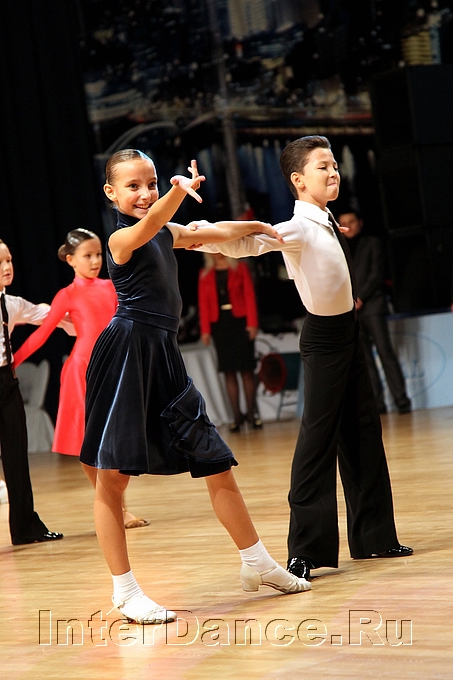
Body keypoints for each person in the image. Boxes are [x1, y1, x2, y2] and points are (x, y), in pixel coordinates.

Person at [79, 149, 310, 625]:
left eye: (151, 183)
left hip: (164, 354)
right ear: (110, 193)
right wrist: (176, 192)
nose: (145, 193)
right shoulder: (120, 238)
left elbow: (212, 231)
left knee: (214, 458)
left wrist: (259, 227)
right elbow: (151, 223)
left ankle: (257, 562)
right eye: (133, 186)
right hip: (127, 355)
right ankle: (125, 591)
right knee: (112, 478)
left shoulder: (166, 230)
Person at [192, 135, 413, 580]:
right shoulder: (297, 227)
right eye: (322, 167)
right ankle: (305, 552)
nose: (333, 172)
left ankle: (374, 537)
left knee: (363, 432)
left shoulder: (325, 221)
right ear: (298, 179)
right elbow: (248, 245)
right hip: (324, 340)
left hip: (348, 334)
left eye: (334, 166)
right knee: (317, 442)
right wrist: (197, 234)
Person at [13, 229, 148, 529]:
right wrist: (14, 361)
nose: (96, 261)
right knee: (88, 444)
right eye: (88, 256)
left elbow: (129, 325)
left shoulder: (111, 286)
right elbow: (42, 334)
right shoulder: (67, 295)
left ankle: (118, 506)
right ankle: (116, 509)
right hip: (81, 371)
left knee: (116, 442)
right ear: (71, 260)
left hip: (112, 368)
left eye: (98, 254)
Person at [0, 238, 70, 545]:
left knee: (16, 455)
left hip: (6, 382)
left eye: (9, 260)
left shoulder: (11, 304)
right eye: (0, 262)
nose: (7, 267)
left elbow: (45, 314)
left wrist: (79, 312)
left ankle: (25, 527)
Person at [337, 209, 411, 415]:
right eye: (344, 223)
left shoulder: (372, 243)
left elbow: (377, 274)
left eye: (352, 221)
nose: (348, 226)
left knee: (385, 353)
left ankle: (401, 400)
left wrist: (361, 297)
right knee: (365, 359)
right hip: (352, 310)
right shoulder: (338, 249)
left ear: (360, 222)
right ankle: (378, 404)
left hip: (373, 306)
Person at [198, 252, 262, 432]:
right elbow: (203, 302)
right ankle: (236, 417)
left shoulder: (240, 268)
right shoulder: (205, 273)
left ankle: (251, 414)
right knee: (229, 371)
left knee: (246, 369)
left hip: (240, 322)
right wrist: (205, 330)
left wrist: (252, 323)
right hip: (220, 324)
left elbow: (249, 295)